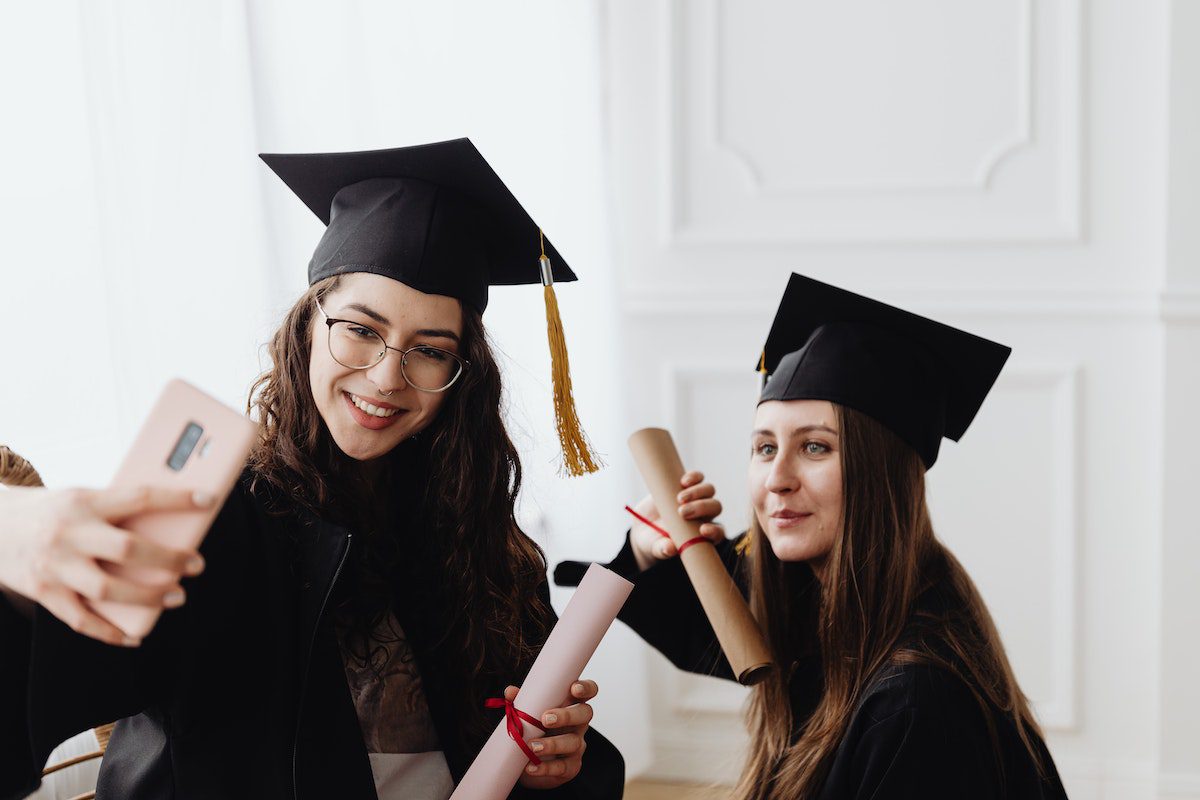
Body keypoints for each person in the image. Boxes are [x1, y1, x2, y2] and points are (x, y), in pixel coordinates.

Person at [0, 139, 622, 800]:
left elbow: (530, 727)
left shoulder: (475, 534)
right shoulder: (213, 513)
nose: (387, 376)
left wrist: (558, 759)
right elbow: (55, 688)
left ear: (461, 376)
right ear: (305, 328)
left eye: (430, 350)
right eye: (359, 329)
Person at [556, 274, 1069, 799]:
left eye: (816, 447)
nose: (777, 478)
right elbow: (703, 623)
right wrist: (647, 552)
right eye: (764, 448)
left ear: (882, 473)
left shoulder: (917, 701)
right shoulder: (815, 595)